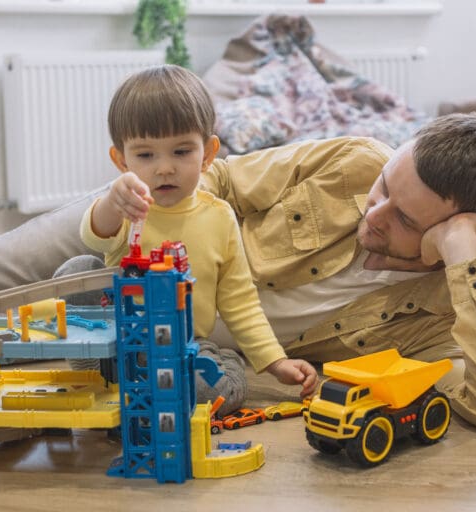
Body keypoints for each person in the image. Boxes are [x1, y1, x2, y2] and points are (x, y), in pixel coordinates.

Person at [0, 111, 476, 436]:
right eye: (386, 186)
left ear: (462, 233)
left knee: (12, 320)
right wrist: (151, 222)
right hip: (154, 230)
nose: (375, 213)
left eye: (405, 219)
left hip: (199, 334)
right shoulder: (353, 161)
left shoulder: (446, 302)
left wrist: (463, 263)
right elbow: (224, 178)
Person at [68, 64, 317, 413]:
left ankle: (170, 382)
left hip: (185, 345)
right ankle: (91, 367)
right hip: (119, 336)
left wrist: (276, 362)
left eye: (181, 152)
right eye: (145, 155)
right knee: (77, 268)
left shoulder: (219, 218)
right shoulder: (128, 206)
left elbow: (240, 302)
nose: (164, 167)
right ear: (121, 160)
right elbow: (94, 236)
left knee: (216, 388)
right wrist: (113, 200)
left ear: (209, 154)